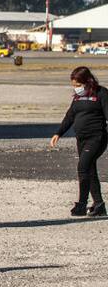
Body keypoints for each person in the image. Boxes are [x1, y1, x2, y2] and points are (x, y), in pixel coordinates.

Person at [49, 66, 108, 216]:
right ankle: (99, 205)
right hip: (81, 138)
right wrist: (58, 133)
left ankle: (81, 204)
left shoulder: (101, 93)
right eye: (74, 85)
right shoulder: (77, 97)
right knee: (89, 169)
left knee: (83, 167)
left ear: (88, 81)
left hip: (97, 138)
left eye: (78, 85)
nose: (76, 88)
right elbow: (70, 116)